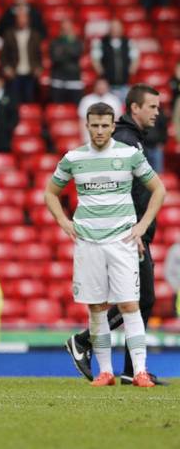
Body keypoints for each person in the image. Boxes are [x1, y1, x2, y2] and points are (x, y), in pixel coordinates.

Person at [49, 101, 164, 388]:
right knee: (97, 307)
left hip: (121, 240)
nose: (99, 131)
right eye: (94, 125)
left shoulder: (128, 155)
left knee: (129, 304)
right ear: (87, 126)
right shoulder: (74, 157)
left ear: (113, 126)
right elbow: (50, 192)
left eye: (104, 125)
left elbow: (158, 189)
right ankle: (106, 372)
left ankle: (139, 371)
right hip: (88, 242)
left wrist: (142, 226)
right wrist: (64, 223)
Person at [90, 19, 139, 102]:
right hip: (108, 86)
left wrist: (130, 71)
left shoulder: (128, 42)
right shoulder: (101, 42)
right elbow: (95, 60)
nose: (115, 30)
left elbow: (135, 58)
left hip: (124, 85)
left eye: (117, 27)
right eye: (113, 27)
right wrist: (103, 74)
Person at [0, 7, 42, 104]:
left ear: (28, 20)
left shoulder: (35, 35)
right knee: (14, 101)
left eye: (24, 18)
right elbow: (3, 55)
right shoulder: (9, 34)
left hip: (30, 73)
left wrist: (38, 67)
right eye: (20, 19)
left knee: (29, 99)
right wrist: (6, 68)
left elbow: (38, 54)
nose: (22, 21)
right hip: (15, 73)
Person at [49, 19, 84, 104]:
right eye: (64, 29)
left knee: (75, 108)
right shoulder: (55, 42)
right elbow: (56, 58)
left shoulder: (77, 42)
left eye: (68, 29)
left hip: (74, 80)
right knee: (58, 108)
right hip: (58, 80)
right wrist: (69, 49)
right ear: (60, 30)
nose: (66, 31)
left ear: (72, 29)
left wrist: (63, 49)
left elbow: (76, 53)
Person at [77, 79, 122, 143]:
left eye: (103, 85)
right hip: (90, 136)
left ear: (107, 87)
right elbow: (82, 121)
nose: (101, 87)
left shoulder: (114, 100)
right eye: (99, 85)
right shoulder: (86, 100)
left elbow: (117, 120)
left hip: (110, 136)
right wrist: (84, 139)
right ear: (95, 87)